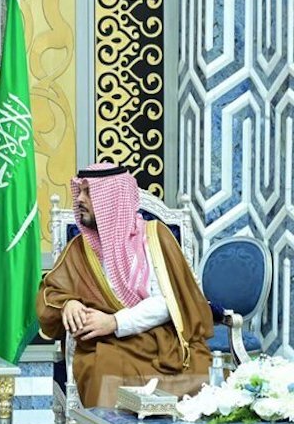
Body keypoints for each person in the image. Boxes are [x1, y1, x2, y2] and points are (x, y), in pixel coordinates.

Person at [37, 163, 213, 409]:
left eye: (89, 192)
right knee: (103, 372)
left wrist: (115, 322)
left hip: (161, 339)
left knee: (200, 370)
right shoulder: (79, 248)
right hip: (105, 343)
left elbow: (170, 301)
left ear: (113, 200)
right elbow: (51, 293)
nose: (80, 199)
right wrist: (69, 303)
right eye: (80, 191)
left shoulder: (155, 237)